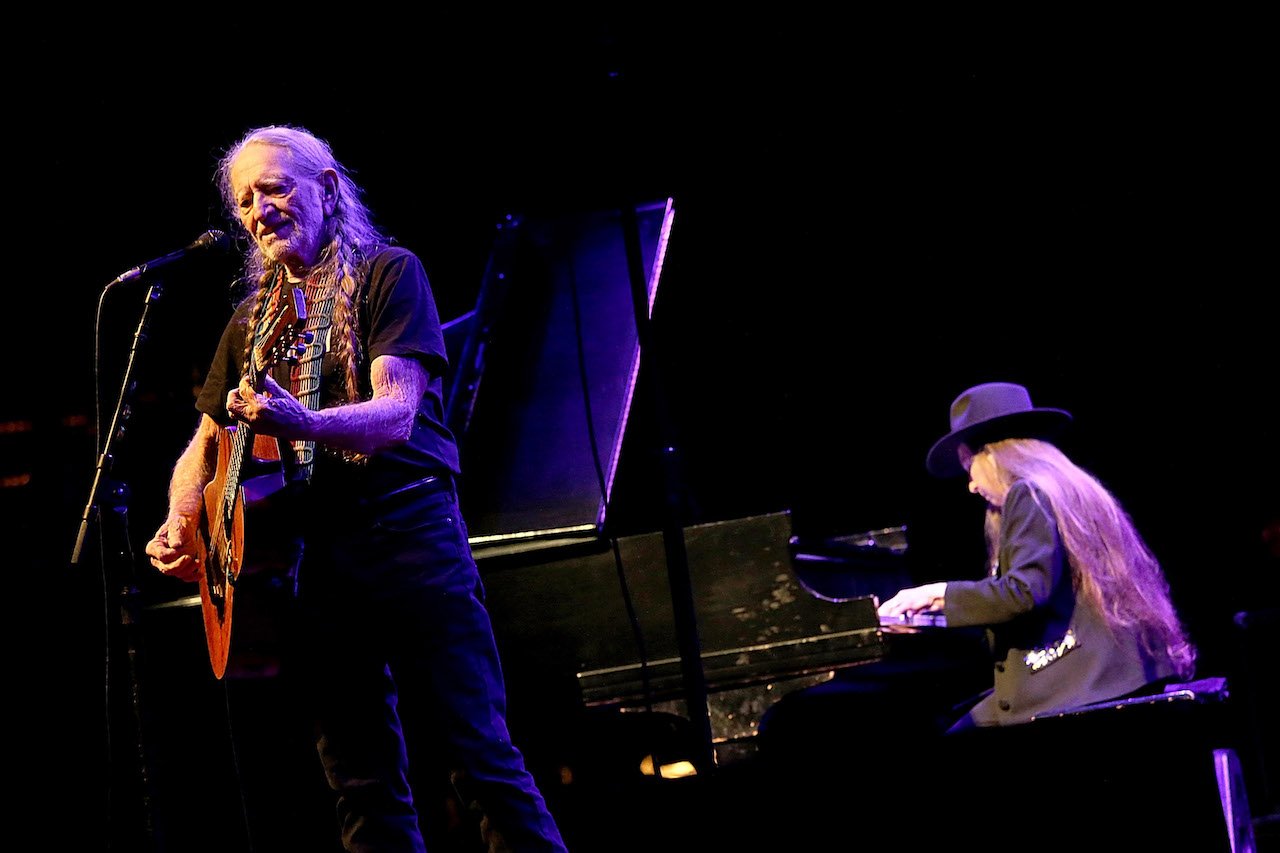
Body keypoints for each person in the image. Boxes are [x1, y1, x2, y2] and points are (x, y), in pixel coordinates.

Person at [144, 124, 568, 852]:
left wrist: (300, 419)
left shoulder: (388, 274)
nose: (257, 210)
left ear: (328, 189)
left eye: (273, 188)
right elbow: (205, 440)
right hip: (318, 566)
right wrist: (186, 509)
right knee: (361, 785)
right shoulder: (253, 320)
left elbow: (395, 414)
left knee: (479, 760)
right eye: (244, 200)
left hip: (410, 541)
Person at [877, 381, 1197, 730]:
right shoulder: (1063, 486)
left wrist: (934, 594)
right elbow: (1021, 608)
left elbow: (1024, 593)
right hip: (1099, 666)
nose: (970, 485)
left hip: (1080, 677)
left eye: (969, 467)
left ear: (992, 455)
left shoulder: (1027, 493)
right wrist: (930, 621)